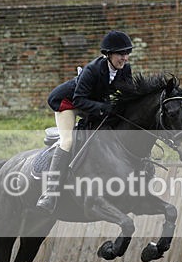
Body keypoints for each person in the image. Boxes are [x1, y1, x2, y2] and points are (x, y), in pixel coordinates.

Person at [36, 30, 135, 213]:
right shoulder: (93, 70)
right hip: (68, 103)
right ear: (109, 54)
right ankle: (50, 193)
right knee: (68, 141)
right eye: (121, 54)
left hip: (91, 104)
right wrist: (105, 107)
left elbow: (128, 95)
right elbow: (79, 100)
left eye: (127, 53)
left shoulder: (125, 70)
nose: (125, 58)